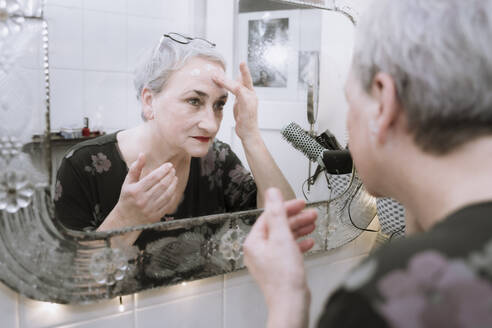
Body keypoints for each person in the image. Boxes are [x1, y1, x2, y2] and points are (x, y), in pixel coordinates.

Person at [243, 0, 492, 327]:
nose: (348, 120)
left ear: (383, 102)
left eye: (349, 100)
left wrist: (287, 303)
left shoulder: (395, 293)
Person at [54, 32, 295, 249]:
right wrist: (127, 218)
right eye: (194, 101)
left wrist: (251, 135)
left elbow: (287, 230)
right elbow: (69, 277)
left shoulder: (217, 160)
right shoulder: (83, 166)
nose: (211, 124)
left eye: (219, 105)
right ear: (149, 101)